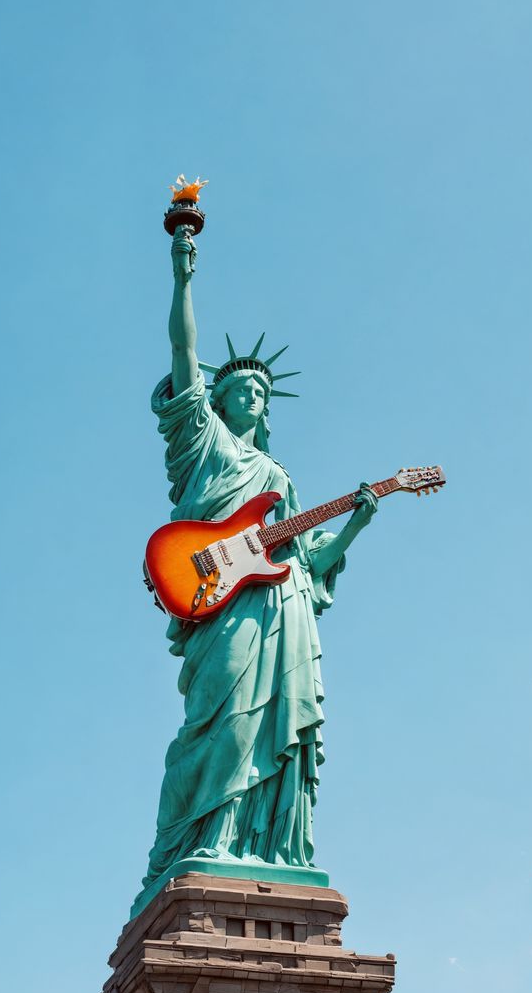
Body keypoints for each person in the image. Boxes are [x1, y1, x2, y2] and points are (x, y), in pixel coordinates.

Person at [137, 224, 377, 906]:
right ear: (219, 398)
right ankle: (200, 839)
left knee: (277, 730)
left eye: (261, 391)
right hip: (220, 601)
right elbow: (184, 351)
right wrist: (183, 275)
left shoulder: (275, 475)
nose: (253, 395)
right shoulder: (202, 444)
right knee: (223, 721)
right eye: (241, 386)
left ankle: (261, 845)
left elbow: (308, 561)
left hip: (280, 605)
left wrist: (356, 522)